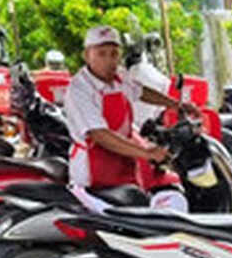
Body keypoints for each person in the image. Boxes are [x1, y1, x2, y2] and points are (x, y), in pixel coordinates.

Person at [63, 25, 189, 193]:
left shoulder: (119, 78)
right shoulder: (80, 88)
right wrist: (147, 153)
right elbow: (100, 135)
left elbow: (141, 91)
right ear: (87, 55)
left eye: (114, 54)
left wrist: (175, 104)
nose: (109, 60)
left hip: (123, 162)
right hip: (93, 174)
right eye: (101, 54)